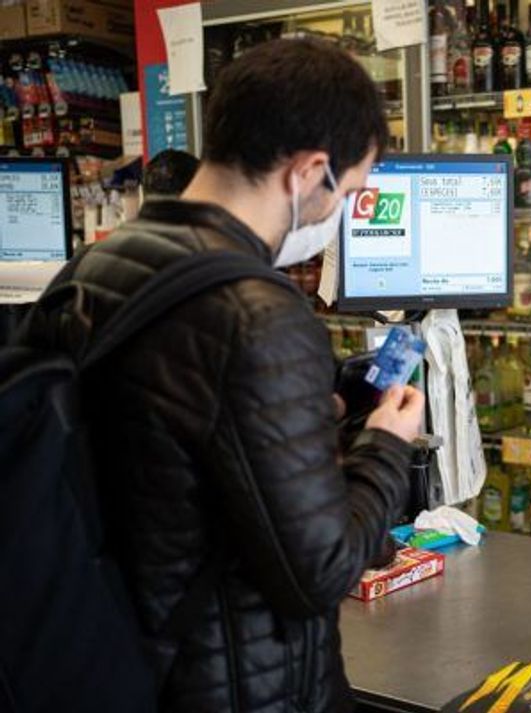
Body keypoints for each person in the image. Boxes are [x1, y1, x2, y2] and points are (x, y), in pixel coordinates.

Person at [24, 38, 421, 711]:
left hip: (115, 657)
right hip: (237, 685)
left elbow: (169, 452)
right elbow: (318, 572)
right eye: (346, 192)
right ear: (308, 172)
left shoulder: (98, 266)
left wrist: (297, 419)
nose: (336, 216)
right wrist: (386, 442)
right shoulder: (260, 314)